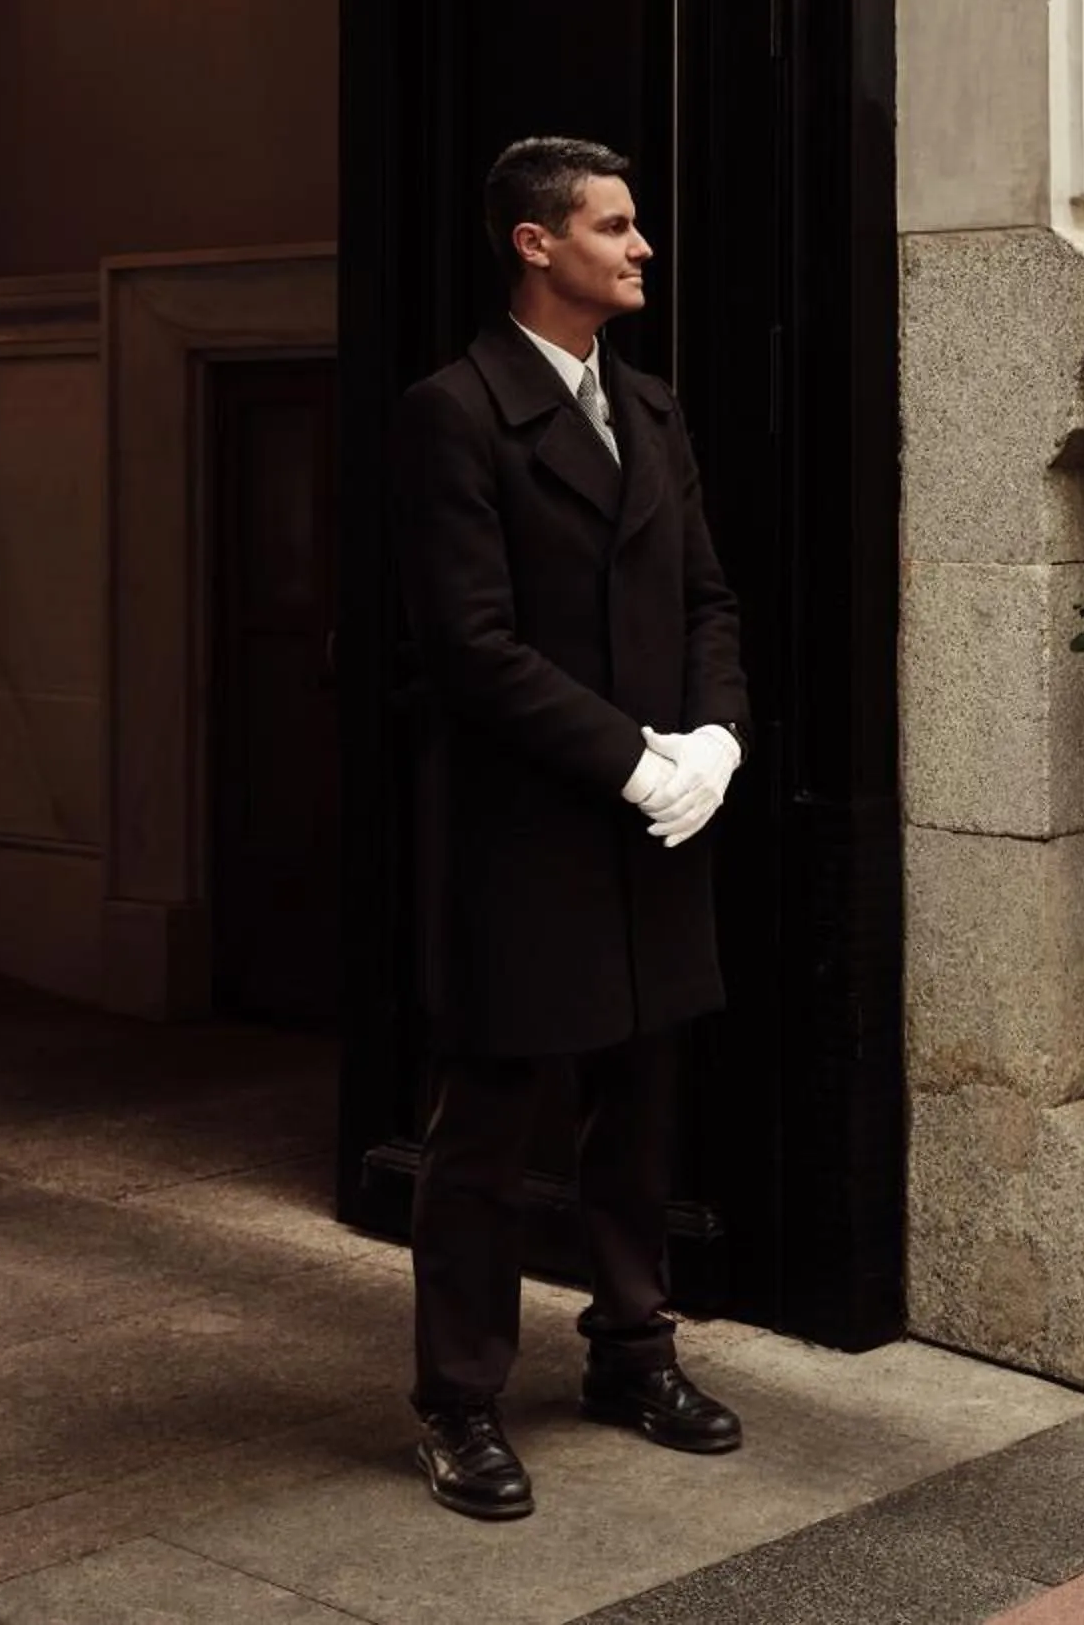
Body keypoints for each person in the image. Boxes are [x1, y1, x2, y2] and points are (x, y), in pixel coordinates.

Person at [389, 135, 752, 1520]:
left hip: (657, 817)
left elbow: (709, 598)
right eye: (614, 225)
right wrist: (630, 763)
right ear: (535, 244)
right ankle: (458, 1401)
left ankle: (632, 1354)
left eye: (635, 223)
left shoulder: (650, 408)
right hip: (526, 831)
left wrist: (715, 741)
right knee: (486, 1133)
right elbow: (471, 648)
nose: (641, 245)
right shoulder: (454, 411)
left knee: (640, 1110)